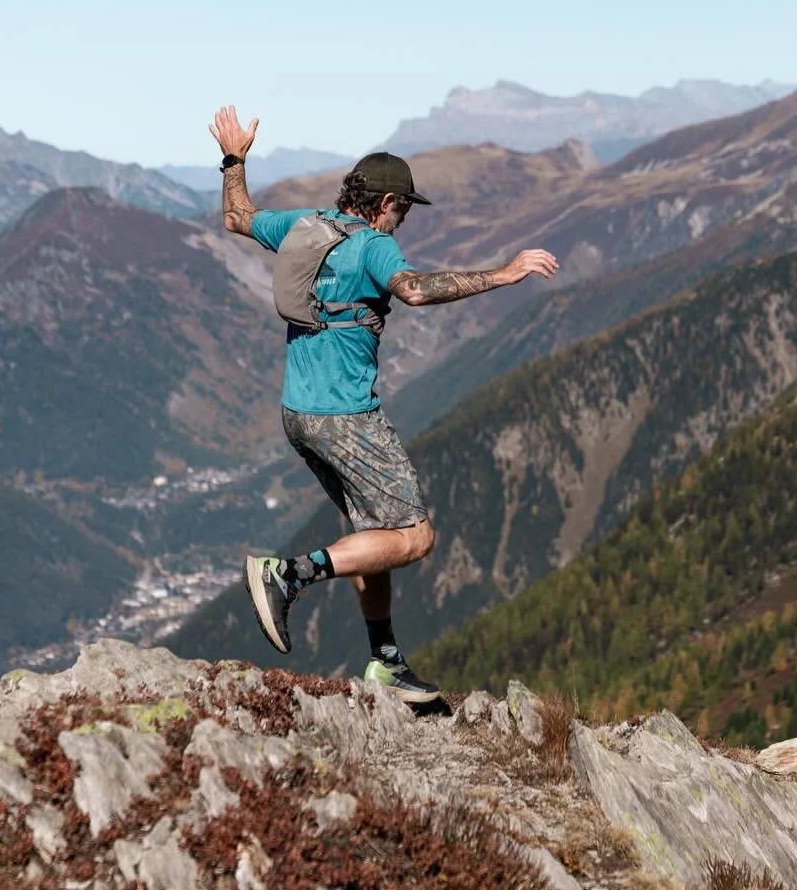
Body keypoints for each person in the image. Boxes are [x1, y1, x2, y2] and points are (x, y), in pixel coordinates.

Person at [209, 105, 559, 703]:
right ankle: (286, 576)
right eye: (403, 208)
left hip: (298, 413)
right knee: (415, 536)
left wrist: (234, 159)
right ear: (388, 203)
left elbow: (237, 218)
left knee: (375, 532)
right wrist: (503, 275)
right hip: (346, 417)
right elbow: (416, 291)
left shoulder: (304, 226)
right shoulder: (373, 247)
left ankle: (385, 663)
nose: (403, 221)